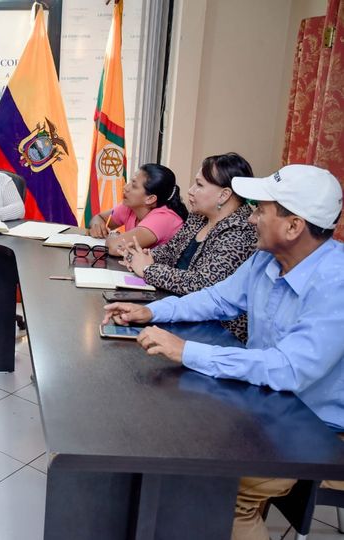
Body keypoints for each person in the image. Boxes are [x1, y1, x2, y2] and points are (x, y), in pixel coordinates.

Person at [102, 164, 344, 540]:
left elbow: (288, 368)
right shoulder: (266, 259)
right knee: (170, 436)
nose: (251, 218)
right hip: (263, 400)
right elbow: (216, 299)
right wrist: (152, 312)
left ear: (293, 226)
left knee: (215, 490)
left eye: (261, 210)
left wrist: (187, 351)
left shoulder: (336, 283)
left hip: (312, 425)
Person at [120, 153, 257, 342]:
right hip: (177, 308)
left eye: (199, 185)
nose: (191, 191)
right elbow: (170, 250)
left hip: (216, 332)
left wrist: (147, 269)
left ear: (224, 195)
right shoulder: (199, 216)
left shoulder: (241, 230)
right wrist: (141, 257)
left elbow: (203, 285)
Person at [88, 163, 188, 255]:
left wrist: (113, 235)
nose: (125, 187)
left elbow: (115, 248)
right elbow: (99, 217)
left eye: (134, 186)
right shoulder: (130, 206)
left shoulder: (164, 218)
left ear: (150, 199)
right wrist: (97, 226)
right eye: (130, 182)